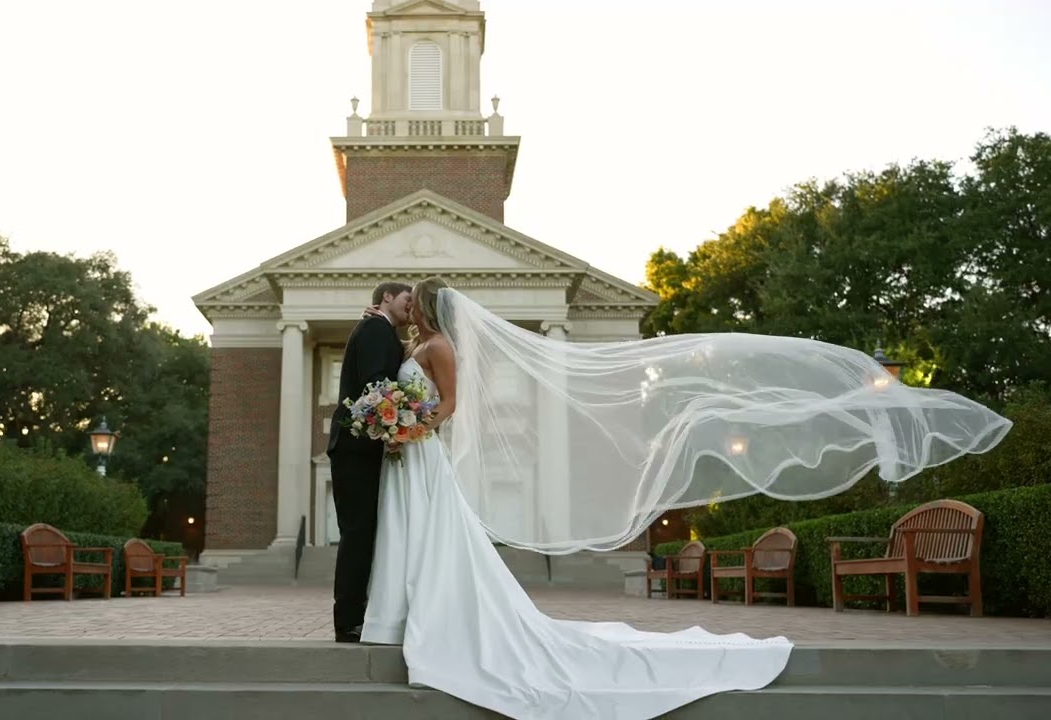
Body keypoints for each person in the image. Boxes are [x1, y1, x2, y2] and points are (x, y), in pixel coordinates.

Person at [352, 276, 1011, 720]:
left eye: (415, 303)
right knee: (425, 538)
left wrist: (412, 424)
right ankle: (404, 616)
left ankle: (433, 620)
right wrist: (400, 422)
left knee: (438, 541)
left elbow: (454, 406)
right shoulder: (420, 344)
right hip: (412, 455)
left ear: (431, 312)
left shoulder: (439, 348)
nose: (409, 310)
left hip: (421, 452)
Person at [325, 281, 413, 643]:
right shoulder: (376, 329)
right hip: (356, 448)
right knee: (358, 534)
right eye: (407, 301)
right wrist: (411, 419)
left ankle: (358, 615)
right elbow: (376, 386)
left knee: (363, 533)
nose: (411, 309)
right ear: (386, 298)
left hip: (361, 448)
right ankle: (348, 621)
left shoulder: (381, 330)